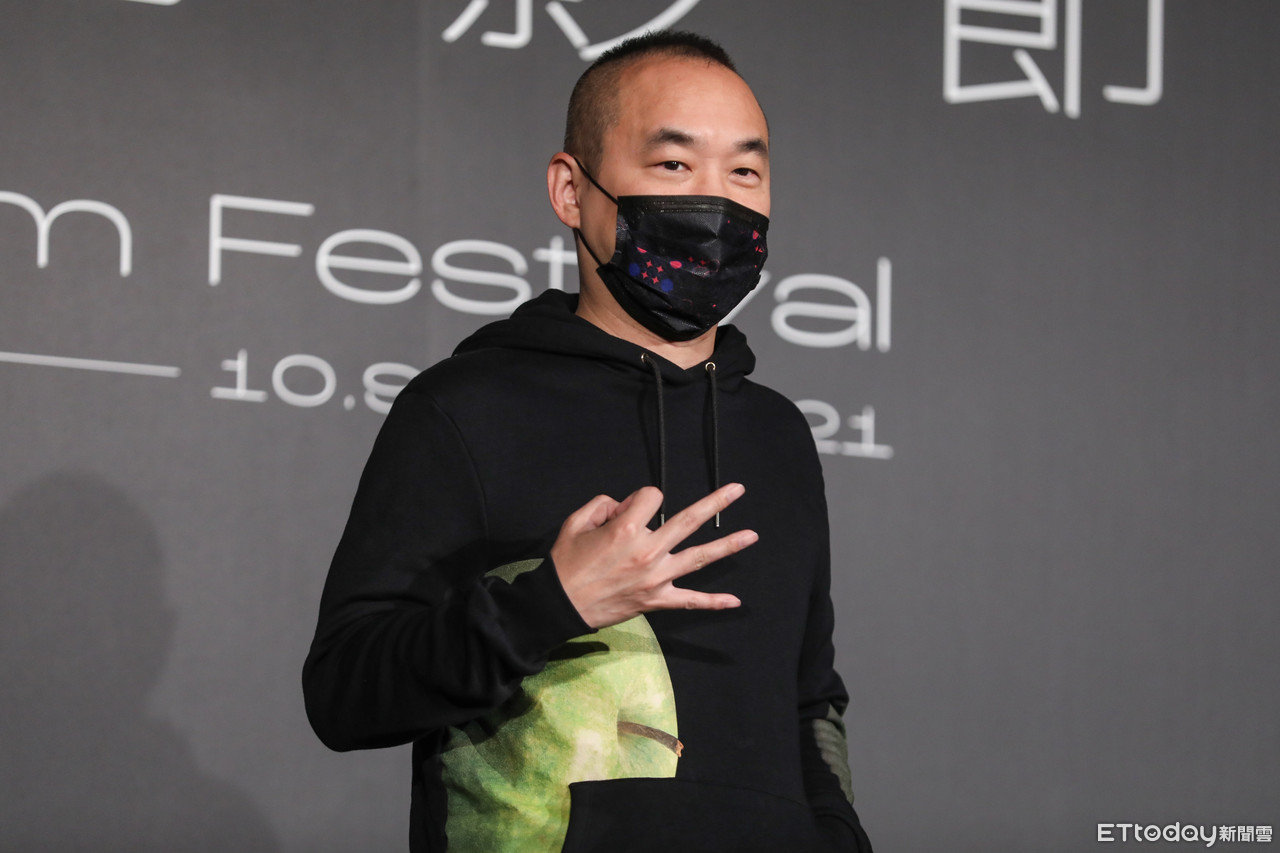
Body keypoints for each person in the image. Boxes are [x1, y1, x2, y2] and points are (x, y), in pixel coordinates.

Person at [303, 31, 873, 853]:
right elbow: (343, 693)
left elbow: (809, 700)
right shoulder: (465, 409)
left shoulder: (778, 433)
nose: (716, 203)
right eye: (674, 165)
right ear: (572, 191)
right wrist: (550, 604)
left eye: (744, 172)